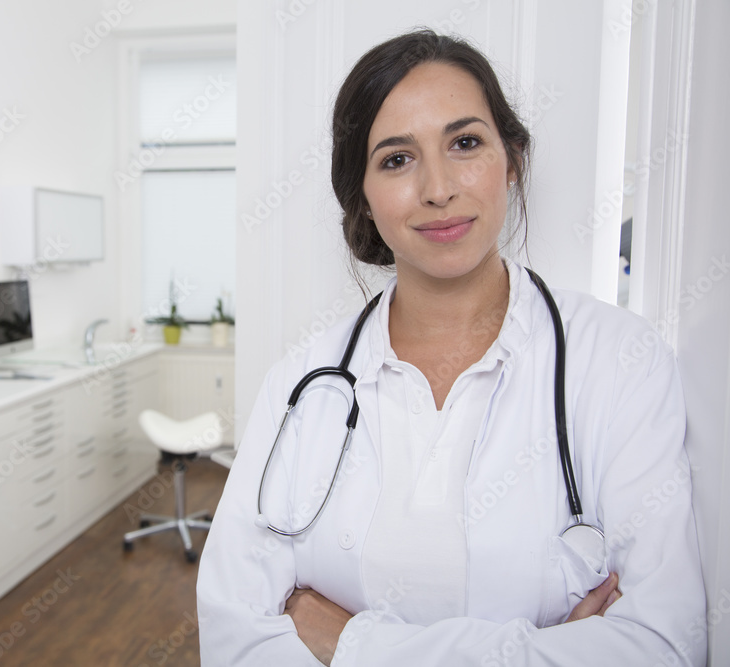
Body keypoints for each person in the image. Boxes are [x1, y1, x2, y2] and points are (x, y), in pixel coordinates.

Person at [196, 29, 707, 666]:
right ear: (362, 196)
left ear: (511, 160)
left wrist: (348, 643)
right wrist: (554, 648)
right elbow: (236, 640)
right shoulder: (302, 384)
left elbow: (661, 646)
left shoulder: (619, 361)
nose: (438, 188)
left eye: (465, 143)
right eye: (396, 159)